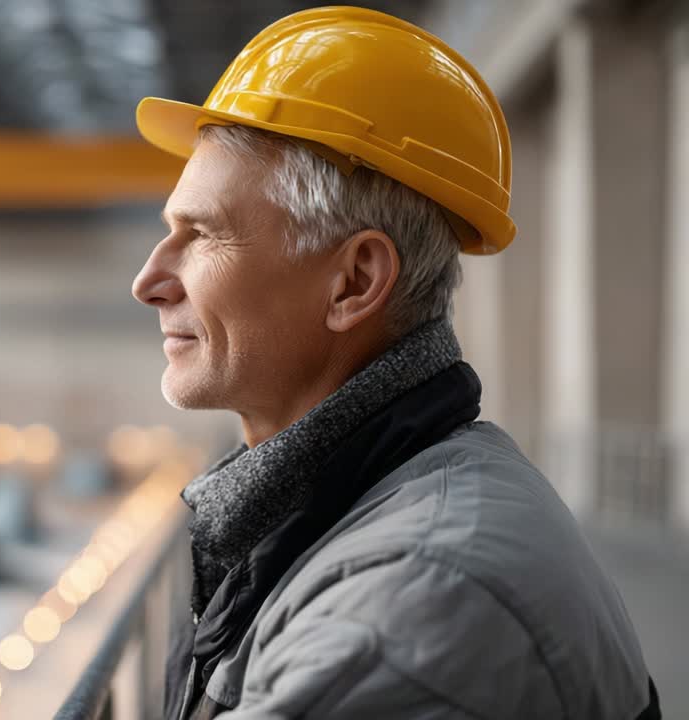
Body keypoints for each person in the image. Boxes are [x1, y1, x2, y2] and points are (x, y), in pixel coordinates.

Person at [130, 7, 658, 719]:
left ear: (353, 282)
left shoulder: (409, 609)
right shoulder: (367, 499)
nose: (149, 281)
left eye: (201, 236)